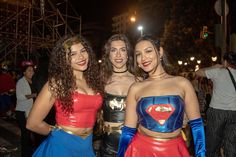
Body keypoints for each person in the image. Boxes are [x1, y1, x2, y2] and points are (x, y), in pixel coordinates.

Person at [117, 35, 206, 157]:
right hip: (141, 150)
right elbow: (128, 131)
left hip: (175, 150)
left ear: (160, 52)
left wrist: (201, 155)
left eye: (148, 51)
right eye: (138, 54)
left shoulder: (183, 83)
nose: (143, 58)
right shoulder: (135, 88)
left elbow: (197, 126)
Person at [26, 34, 104, 157]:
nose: (81, 57)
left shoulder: (94, 81)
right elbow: (32, 123)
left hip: (87, 144)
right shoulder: (56, 83)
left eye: (83, 51)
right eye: (73, 54)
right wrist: (58, 133)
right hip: (62, 147)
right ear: (64, 59)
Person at [99, 34, 136, 157]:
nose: (118, 55)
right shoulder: (100, 82)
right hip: (107, 145)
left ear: (128, 54)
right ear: (108, 55)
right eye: (113, 50)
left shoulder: (140, 81)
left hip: (135, 144)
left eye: (123, 50)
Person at [195, 51, 236, 157]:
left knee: (212, 144)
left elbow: (198, 72)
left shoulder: (218, 71)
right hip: (234, 113)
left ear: (225, 61)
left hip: (217, 112)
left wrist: (214, 66)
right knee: (230, 144)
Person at [15, 63, 36, 157]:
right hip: (22, 111)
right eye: (29, 70)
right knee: (25, 134)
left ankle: (30, 151)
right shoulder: (21, 82)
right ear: (24, 72)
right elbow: (19, 97)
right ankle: (25, 154)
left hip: (31, 110)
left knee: (31, 132)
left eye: (32, 70)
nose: (32, 72)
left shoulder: (34, 81)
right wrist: (33, 95)